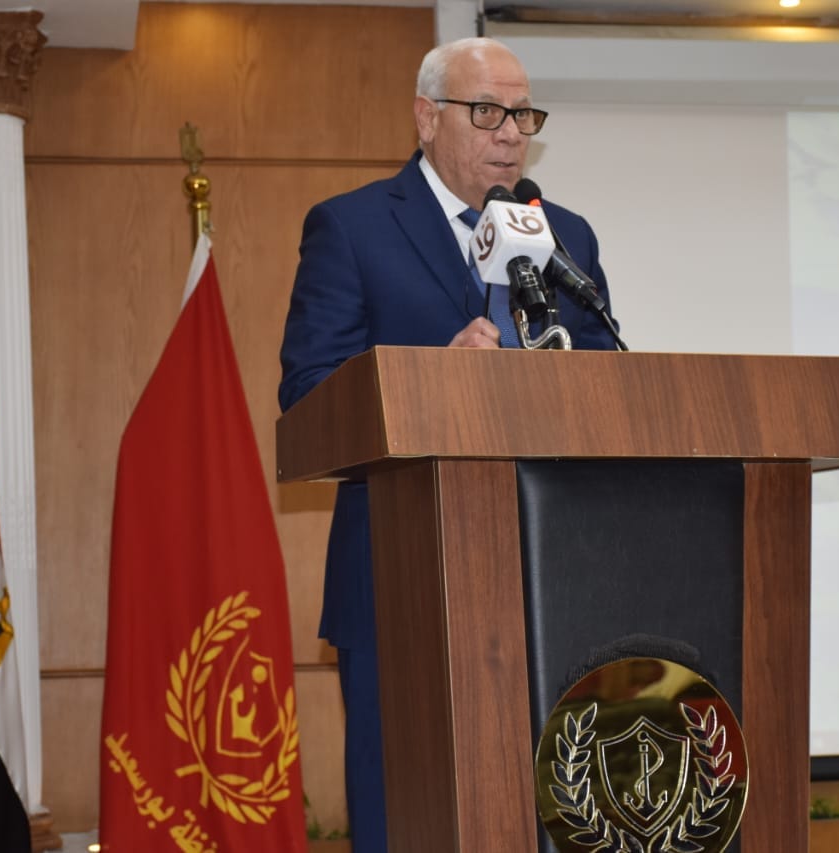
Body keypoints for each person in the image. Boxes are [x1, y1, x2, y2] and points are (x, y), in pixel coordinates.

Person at [278, 36, 620, 852]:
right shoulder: (352, 227)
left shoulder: (564, 234)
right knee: (407, 816)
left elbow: (608, 377)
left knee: (550, 811)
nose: (511, 133)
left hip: (549, 574)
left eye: (524, 115)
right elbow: (309, 395)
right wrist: (436, 378)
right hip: (402, 576)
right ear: (427, 118)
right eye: (488, 112)